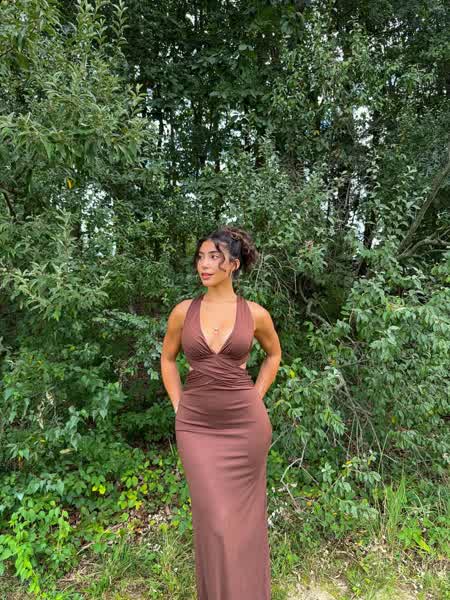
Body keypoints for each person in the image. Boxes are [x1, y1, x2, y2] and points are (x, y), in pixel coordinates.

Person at [160, 225, 282, 599]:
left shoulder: (255, 314)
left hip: (245, 429)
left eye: (214, 257)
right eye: (201, 257)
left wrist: (255, 397)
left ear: (234, 264)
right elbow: (167, 360)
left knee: (242, 525)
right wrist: (179, 405)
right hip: (197, 429)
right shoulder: (183, 312)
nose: (205, 264)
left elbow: (274, 355)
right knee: (215, 521)